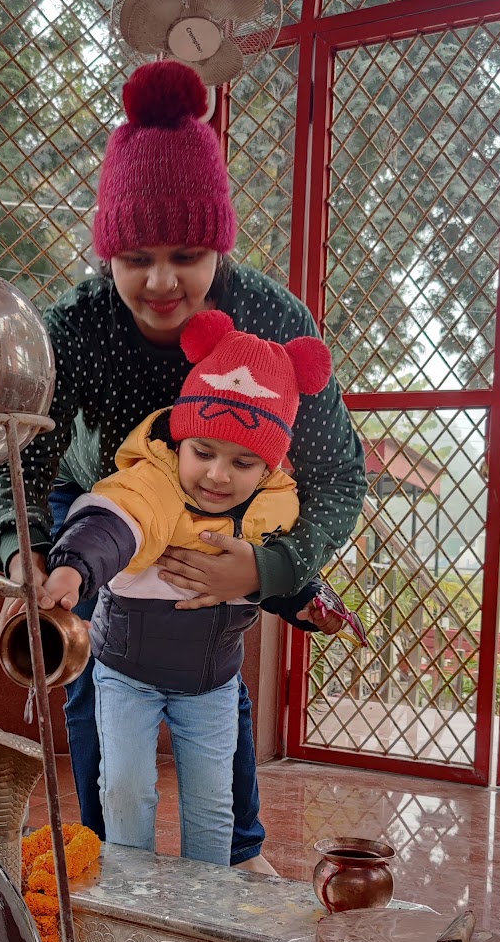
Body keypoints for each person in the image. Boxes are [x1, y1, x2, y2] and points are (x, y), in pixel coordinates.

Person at [0, 58, 367, 870]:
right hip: (98, 503)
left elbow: (337, 475)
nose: (161, 283)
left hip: (227, 510)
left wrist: (266, 567)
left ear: (219, 248)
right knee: (96, 673)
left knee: (209, 669)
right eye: (135, 259)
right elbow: (17, 458)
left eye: (187, 255)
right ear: (108, 255)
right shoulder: (76, 326)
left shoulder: (268, 316)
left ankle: (234, 858)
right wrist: (28, 560)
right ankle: (103, 853)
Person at [42, 308, 353, 866]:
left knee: (212, 804)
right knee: (125, 790)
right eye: (203, 453)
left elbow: (282, 573)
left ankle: (206, 905)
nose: (217, 475)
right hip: (126, 678)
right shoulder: (154, 485)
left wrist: (311, 603)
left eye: (243, 462)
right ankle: (130, 896)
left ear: (268, 468)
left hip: (209, 686)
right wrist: (72, 568)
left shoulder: (268, 510)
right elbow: (113, 523)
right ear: (180, 443)